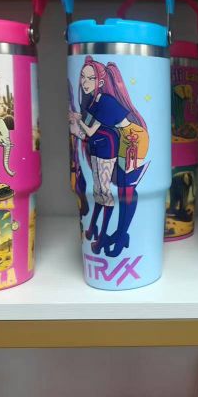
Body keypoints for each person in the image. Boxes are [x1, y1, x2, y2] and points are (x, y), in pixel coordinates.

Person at [69, 56, 149, 258]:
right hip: (122, 140)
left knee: (126, 190)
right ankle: (119, 234)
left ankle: (121, 235)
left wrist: (76, 121)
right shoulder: (95, 101)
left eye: (91, 78)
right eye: (82, 77)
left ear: (101, 82)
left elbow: (90, 131)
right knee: (122, 189)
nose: (85, 82)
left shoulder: (104, 100)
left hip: (132, 140)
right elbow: (91, 130)